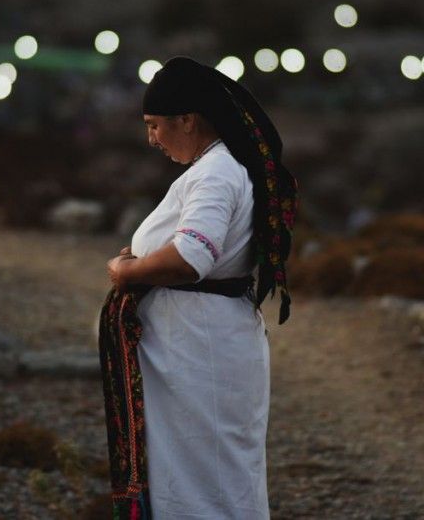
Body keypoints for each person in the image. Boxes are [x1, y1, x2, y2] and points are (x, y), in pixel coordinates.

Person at [100, 56, 298, 520]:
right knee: (205, 475)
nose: (150, 138)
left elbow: (191, 258)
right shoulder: (223, 166)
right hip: (200, 346)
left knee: (207, 481)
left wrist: (128, 272)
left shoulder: (215, 173)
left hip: (200, 350)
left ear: (187, 120)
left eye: (154, 125)